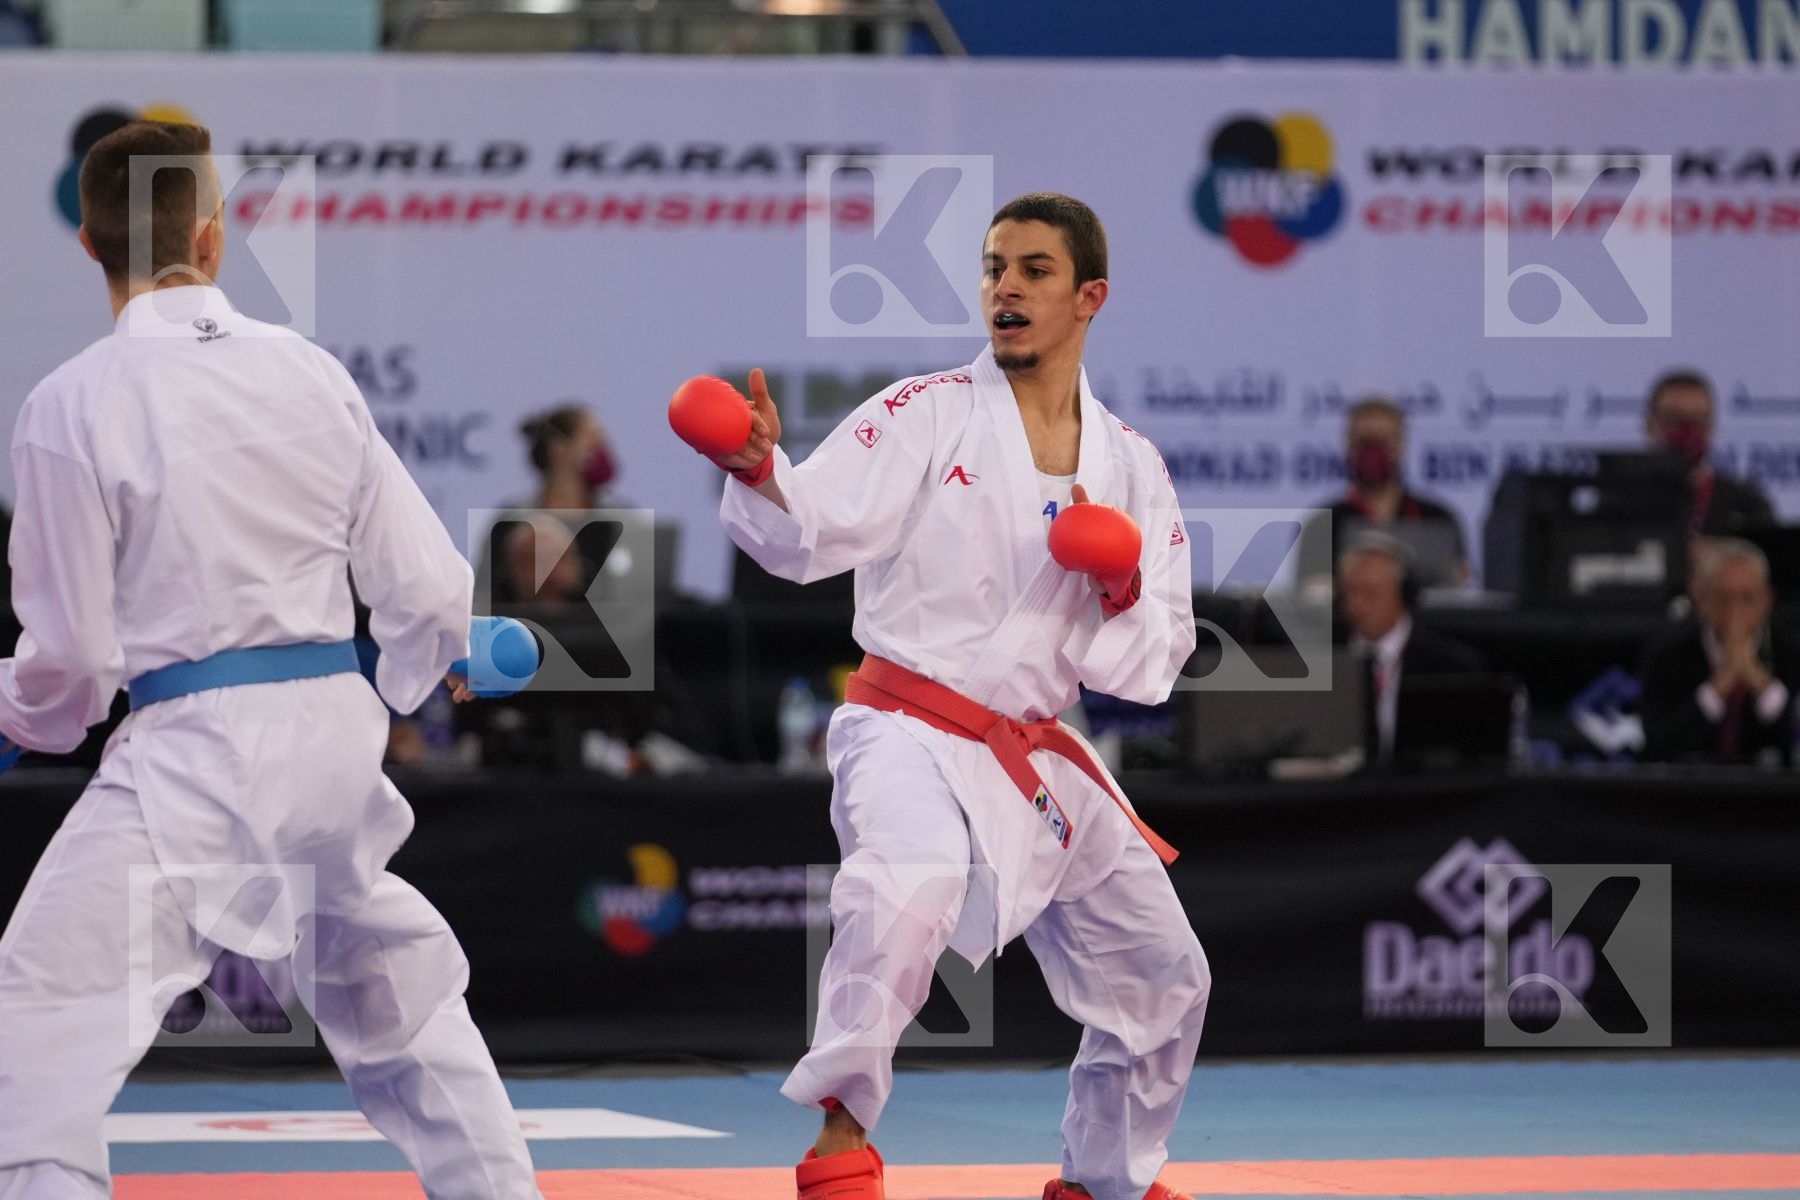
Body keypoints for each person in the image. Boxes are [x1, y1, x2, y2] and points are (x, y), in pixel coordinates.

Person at [0, 120, 542, 1198]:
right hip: (335, 740)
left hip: (197, 755)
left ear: (89, 243)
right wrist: (430, 657)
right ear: (211, 236)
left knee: (42, 1022)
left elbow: (76, 658)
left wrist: (22, 720)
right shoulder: (311, 372)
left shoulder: (71, 402)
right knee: (398, 997)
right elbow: (427, 587)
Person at [684, 194, 1208, 1200]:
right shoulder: (925, 411)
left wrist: (1120, 586)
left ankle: (1106, 1179)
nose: (1005, 287)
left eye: (1035, 270)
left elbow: (1154, 663)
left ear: (1090, 297)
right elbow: (812, 531)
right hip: (907, 726)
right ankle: (841, 1135)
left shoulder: (1134, 466)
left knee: (1164, 975)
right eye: (994, 266)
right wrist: (761, 472)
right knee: (907, 882)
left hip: (1039, 753)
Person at [1639, 539, 1798, 767]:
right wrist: (1721, 683)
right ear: (1701, 600)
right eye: (1722, 599)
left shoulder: (1791, 651)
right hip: (1689, 785)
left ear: (1767, 600)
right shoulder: (1666, 654)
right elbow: (1658, 745)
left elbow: (1793, 738)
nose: (1735, 612)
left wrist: (1755, 677)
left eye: (1747, 598)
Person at [1337, 532, 1484, 769]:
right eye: (1350, 592)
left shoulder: (1453, 667)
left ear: (1403, 594)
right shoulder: (1323, 659)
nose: (1356, 605)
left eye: (1371, 593)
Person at [1296, 397, 1468, 590]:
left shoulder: (1438, 520)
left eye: (1383, 442)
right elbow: (1310, 597)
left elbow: (1456, 591)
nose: (1373, 452)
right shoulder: (1322, 525)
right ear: (1347, 447)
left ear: (1401, 447)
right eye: (1365, 443)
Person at [1645, 369, 1775, 539]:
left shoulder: (1747, 505)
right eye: (1674, 420)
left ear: (1712, 427)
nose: (1688, 431)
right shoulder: (1624, 502)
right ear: (1649, 425)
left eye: (1698, 421)